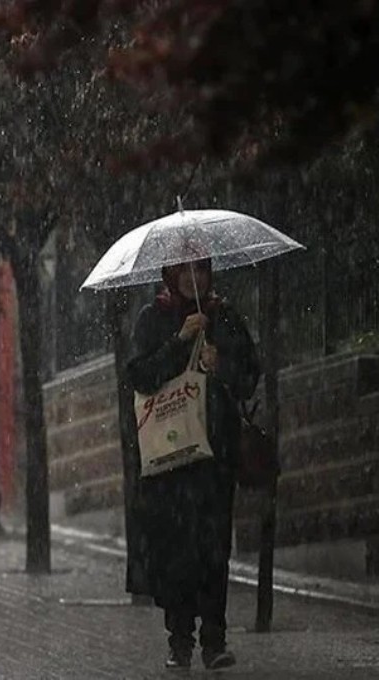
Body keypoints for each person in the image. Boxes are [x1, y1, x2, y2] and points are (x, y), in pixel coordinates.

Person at [126, 258, 260, 671]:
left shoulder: (223, 316)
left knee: (214, 548)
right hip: (170, 460)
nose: (192, 277)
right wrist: (179, 342)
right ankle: (179, 639)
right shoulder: (154, 318)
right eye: (183, 270)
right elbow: (141, 376)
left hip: (213, 457)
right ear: (170, 275)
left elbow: (250, 377)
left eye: (199, 268)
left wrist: (223, 366)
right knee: (175, 550)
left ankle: (214, 640)